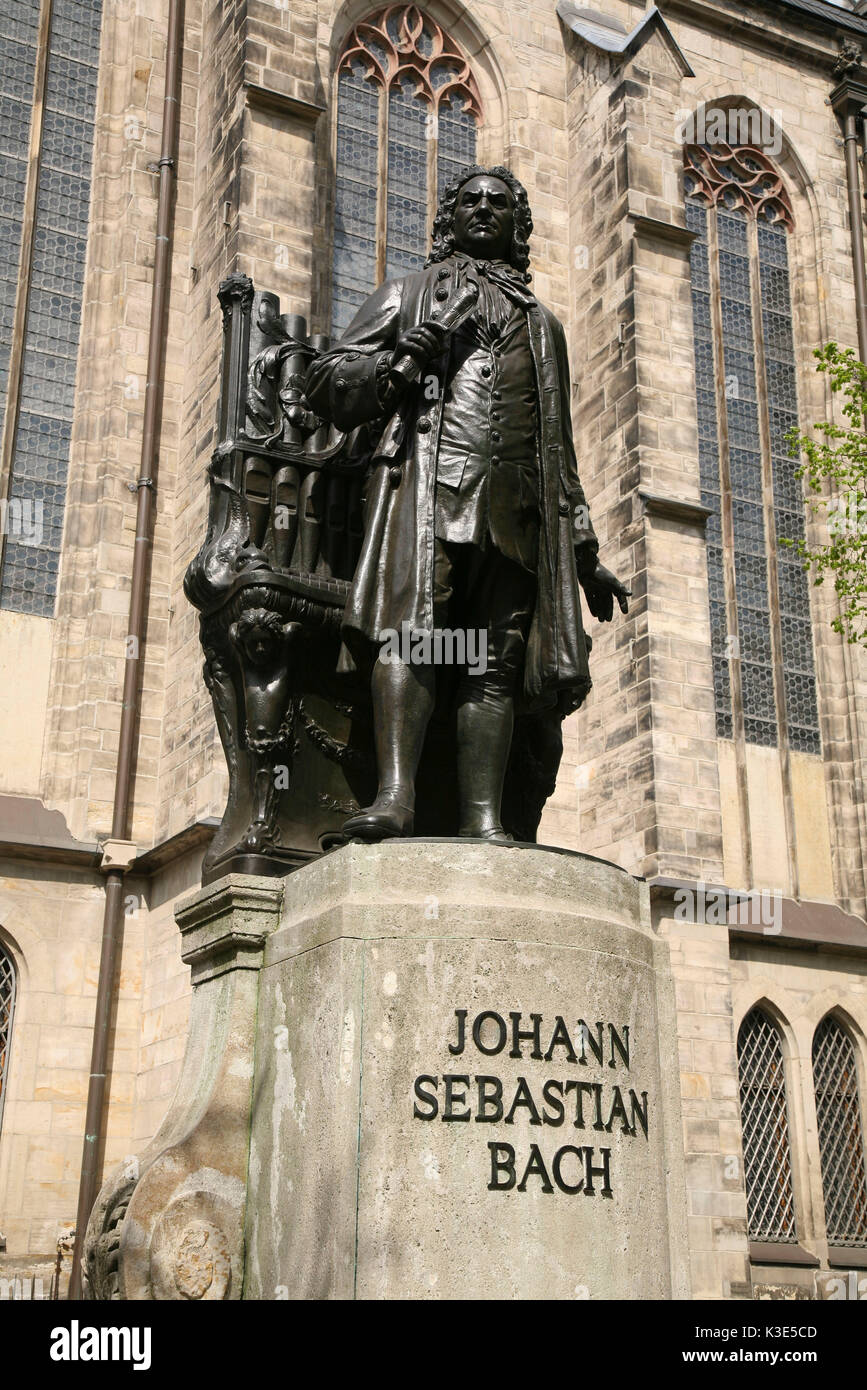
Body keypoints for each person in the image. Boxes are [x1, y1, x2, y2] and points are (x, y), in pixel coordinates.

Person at [305, 165, 628, 842]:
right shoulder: (409, 294)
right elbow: (327, 381)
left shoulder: (544, 328)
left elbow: (558, 448)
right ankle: (396, 798)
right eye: (471, 201)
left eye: (499, 204)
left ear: (517, 226)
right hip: (427, 491)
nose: (484, 210)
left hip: (513, 511)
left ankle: (484, 818)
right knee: (414, 634)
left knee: (495, 659)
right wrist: (399, 362)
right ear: (450, 218)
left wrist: (583, 549)